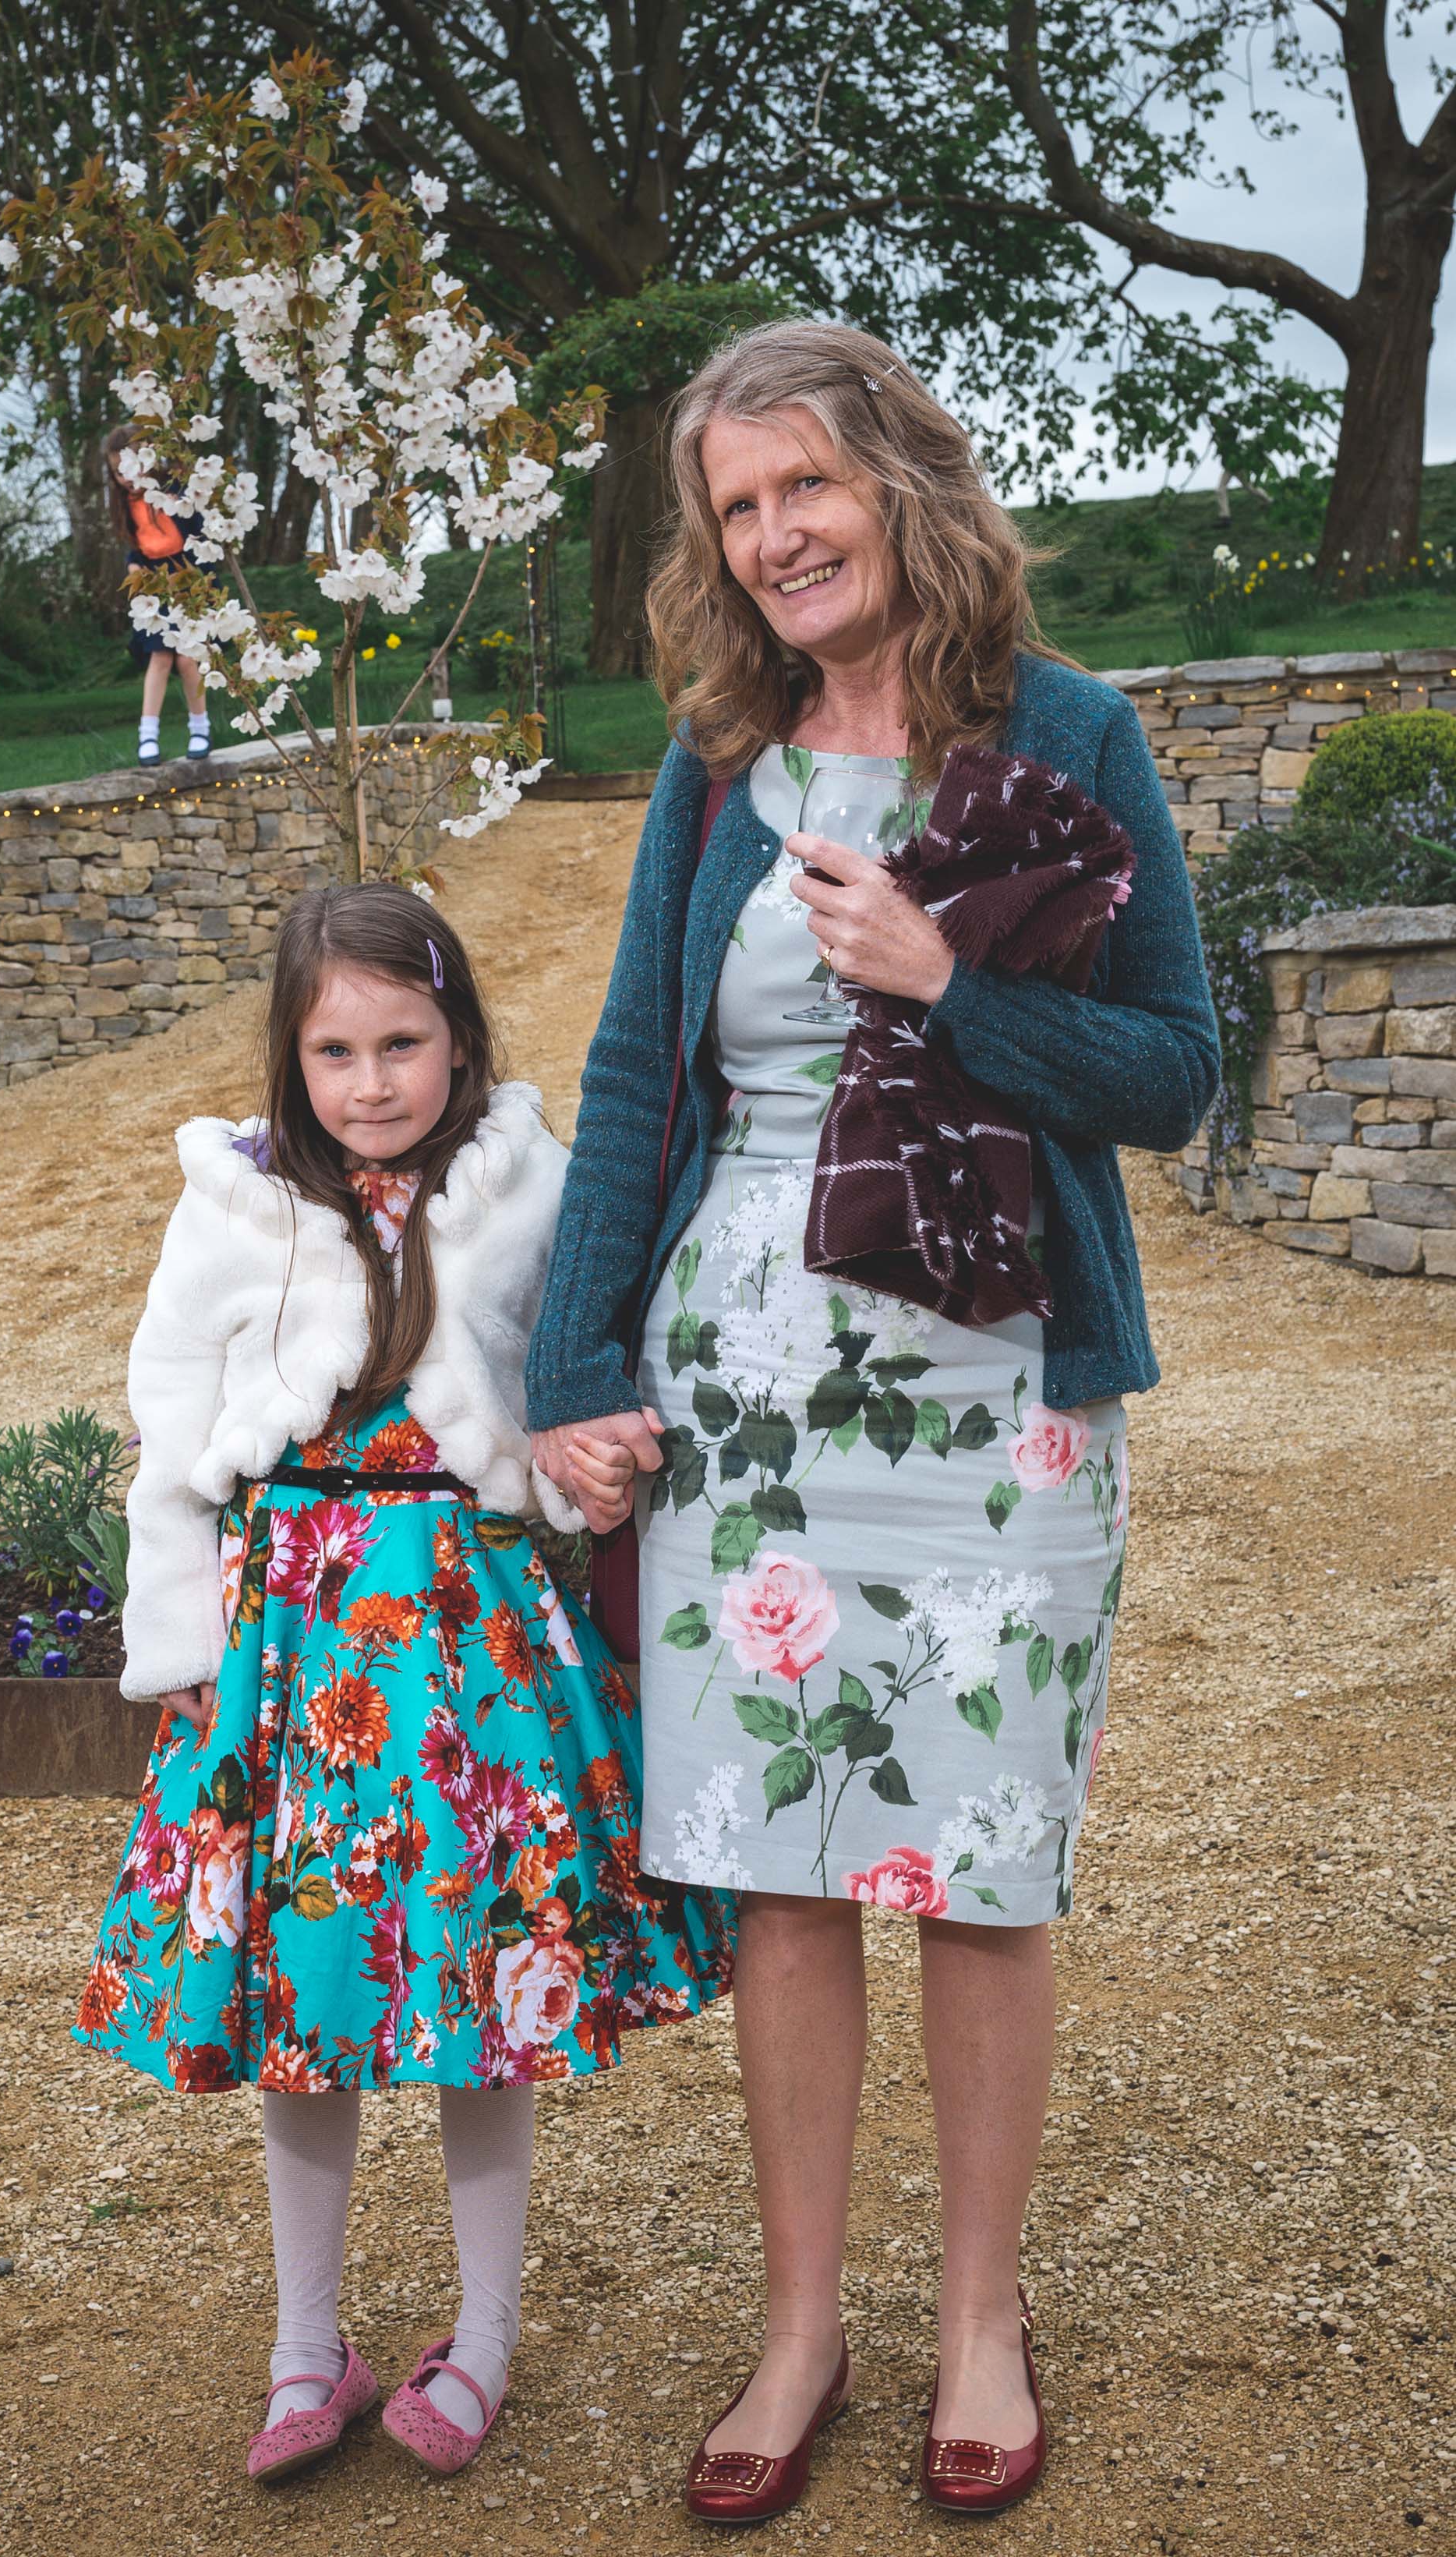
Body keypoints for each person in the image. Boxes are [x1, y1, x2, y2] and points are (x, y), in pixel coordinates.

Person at [525, 320, 1219, 2522]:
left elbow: (1173, 1073)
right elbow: (632, 1074)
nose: (772, 536)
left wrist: (948, 984)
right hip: (739, 1395)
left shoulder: (1070, 733)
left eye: (801, 485)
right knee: (774, 1870)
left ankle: (980, 2318)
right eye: (733, 509)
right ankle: (800, 2323)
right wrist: (573, 1372)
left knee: (976, 1865)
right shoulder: (711, 765)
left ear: (898, 482)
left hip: (995, 1393)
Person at [75, 883, 734, 2490]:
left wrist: (590, 1479)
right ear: (289, 1055)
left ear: (459, 1039)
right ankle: (308, 2346)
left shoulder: (528, 1186)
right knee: (305, 1993)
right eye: (334, 1051)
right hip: (289, 1660)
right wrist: (181, 1644)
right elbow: (170, 1419)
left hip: (467, 1659)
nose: (369, 1082)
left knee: (478, 1991)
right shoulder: (232, 1206)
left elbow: (581, 1371)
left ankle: (483, 2331)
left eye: (401, 1043)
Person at [104, 421, 213, 766]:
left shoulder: (174, 488)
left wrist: (197, 577)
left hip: (189, 574)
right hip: (154, 584)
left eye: (131, 468)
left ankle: (201, 728)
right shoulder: (125, 504)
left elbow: (200, 532)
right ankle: (147, 735)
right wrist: (134, 566)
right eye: (117, 472)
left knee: (187, 657)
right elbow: (137, 546)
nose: (126, 478)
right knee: (160, 657)